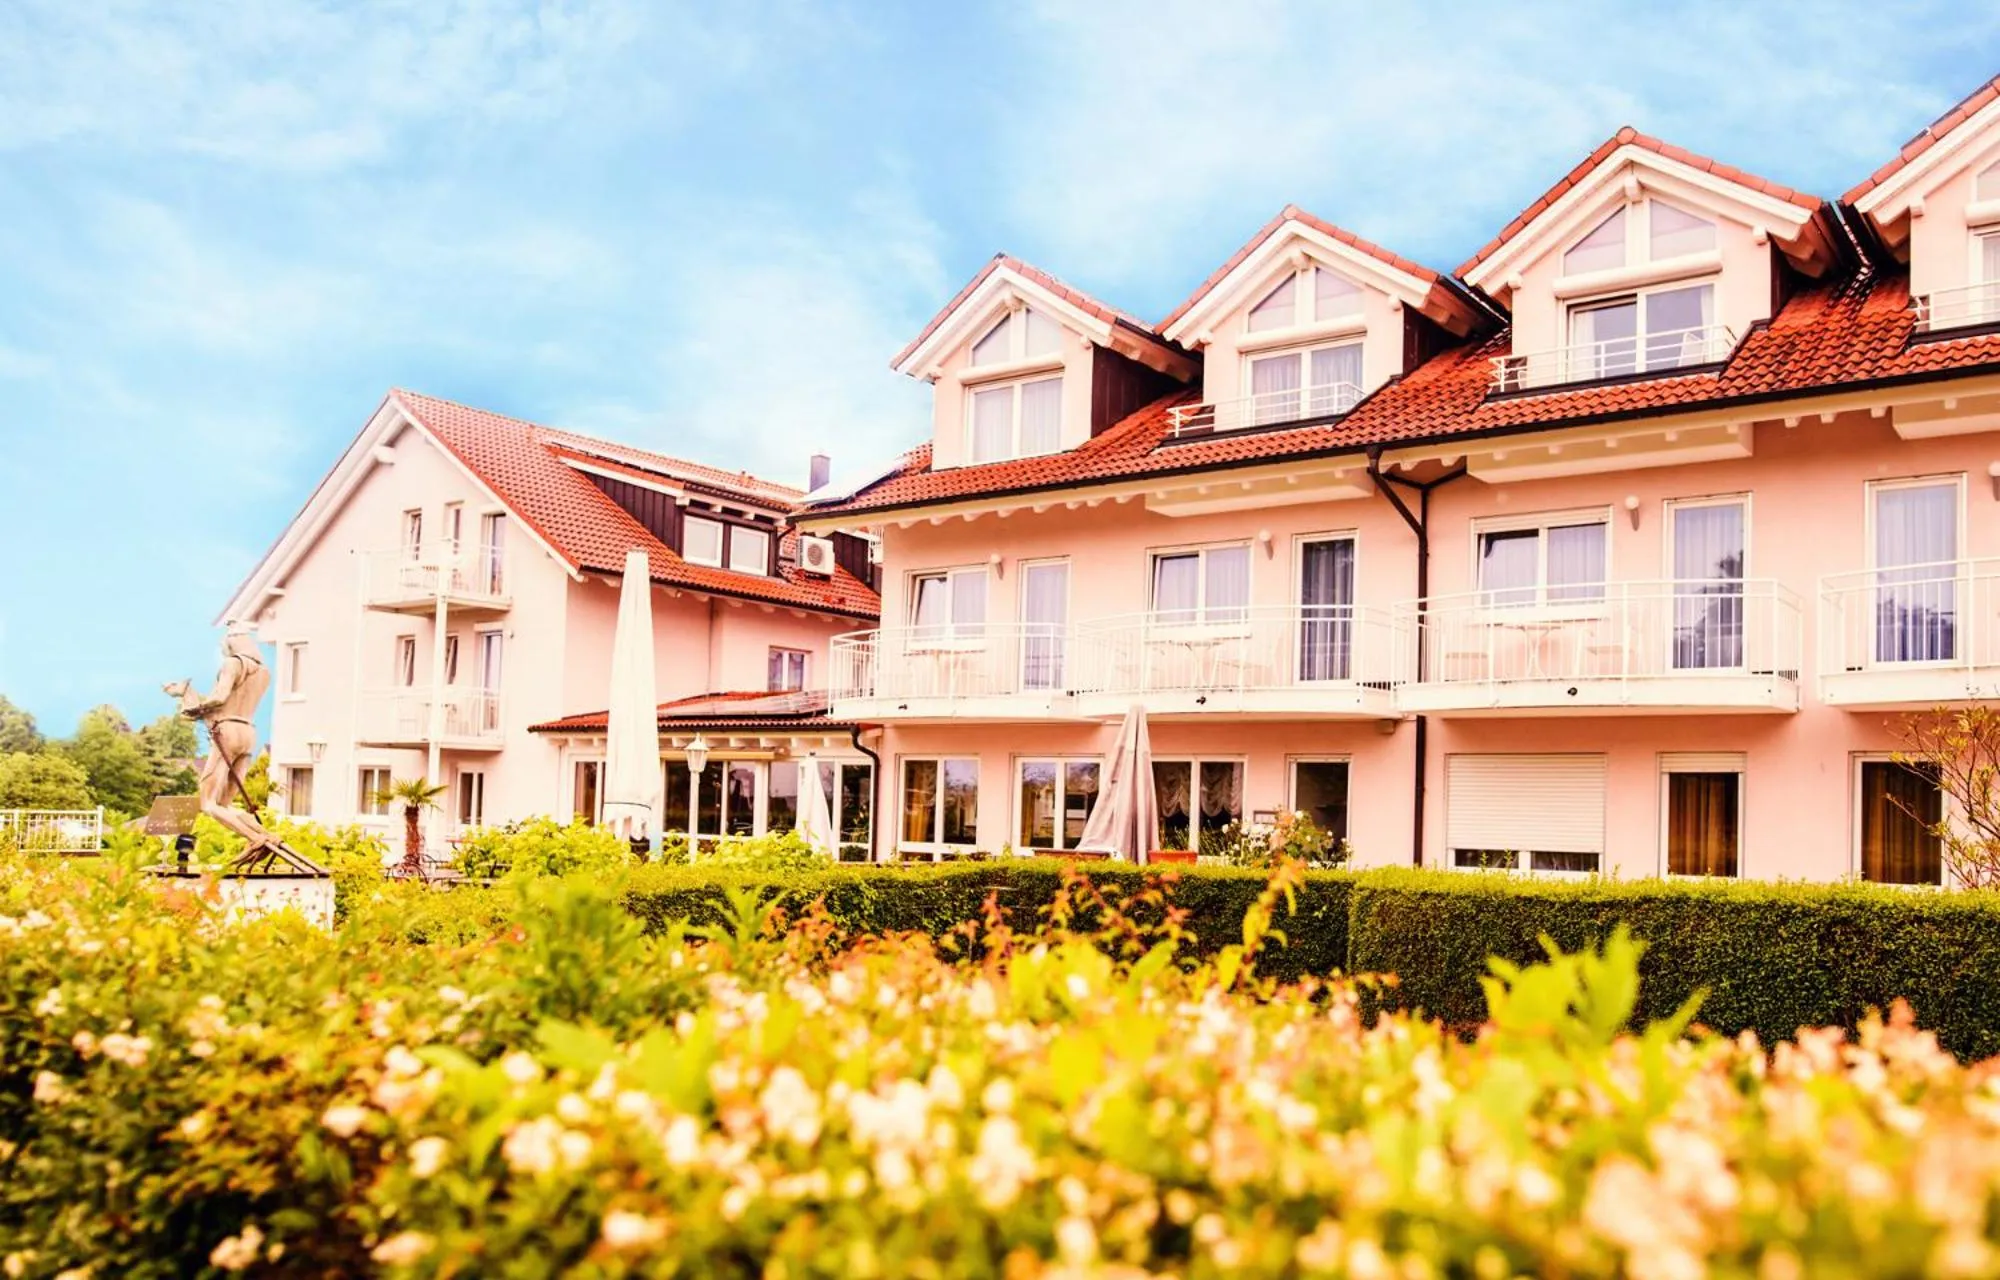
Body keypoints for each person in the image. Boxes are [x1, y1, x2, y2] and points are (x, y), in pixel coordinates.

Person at [166, 624, 279, 853]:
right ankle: (264, 834)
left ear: (232, 643)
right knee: (226, 804)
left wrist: (194, 707)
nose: (223, 651)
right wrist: (187, 693)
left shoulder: (232, 664)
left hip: (227, 732)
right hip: (248, 731)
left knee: (208, 803)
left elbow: (219, 698)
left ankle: (253, 838)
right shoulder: (264, 672)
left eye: (224, 646)